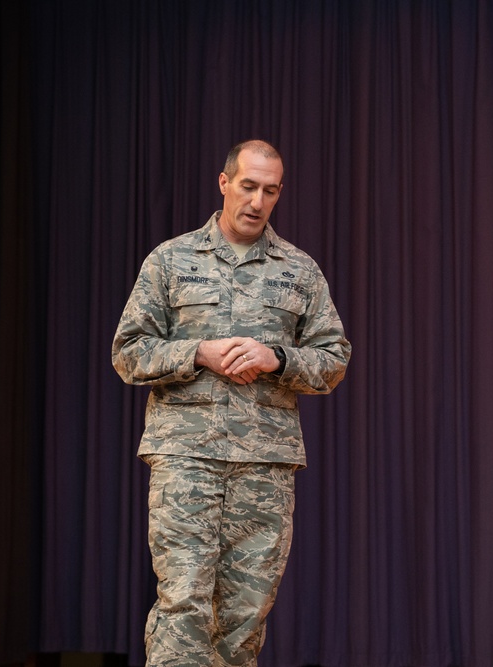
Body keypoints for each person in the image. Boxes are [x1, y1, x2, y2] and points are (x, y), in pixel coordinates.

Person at [112, 139, 351, 666]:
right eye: (247, 187)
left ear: (279, 193)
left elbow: (334, 360)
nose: (257, 201)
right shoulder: (171, 259)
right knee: (185, 604)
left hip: (265, 465)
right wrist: (199, 352)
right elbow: (128, 353)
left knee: (246, 615)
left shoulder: (299, 271)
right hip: (186, 459)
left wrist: (278, 358)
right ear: (224, 183)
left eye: (269, 191)